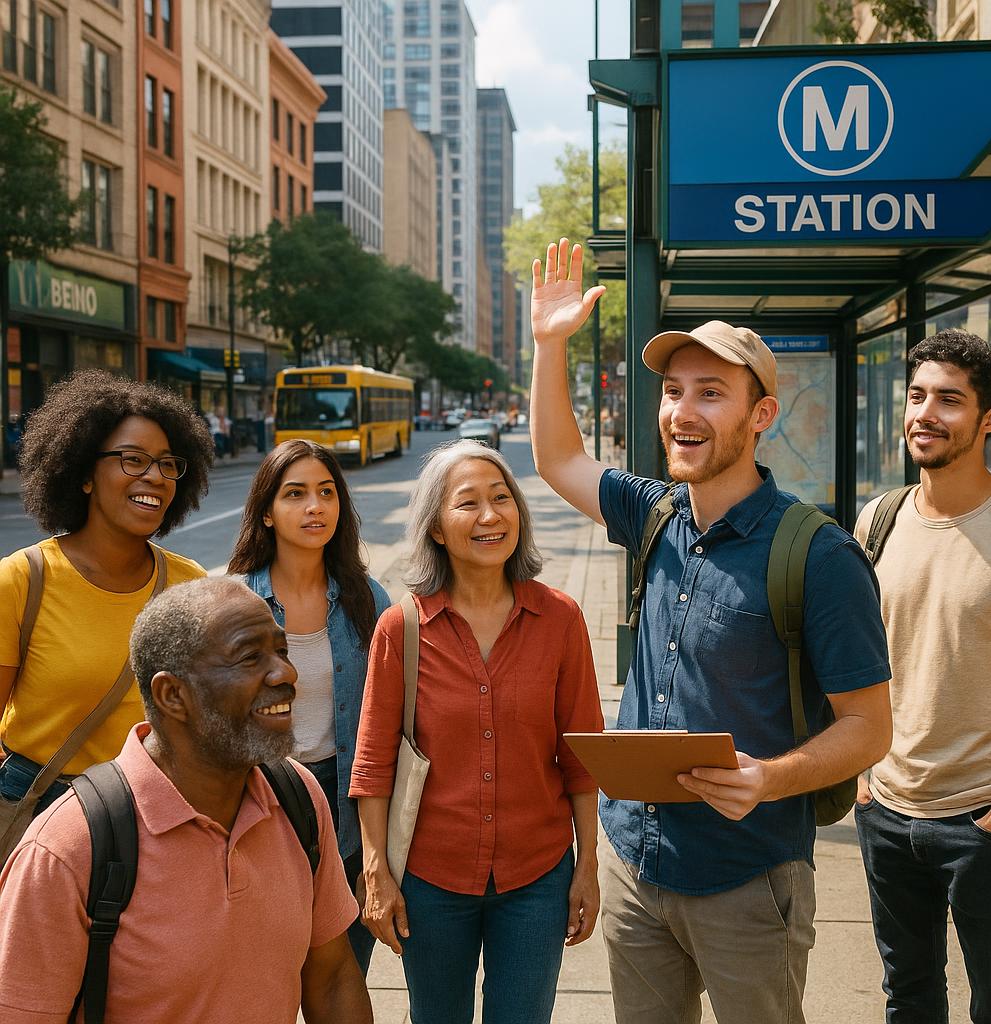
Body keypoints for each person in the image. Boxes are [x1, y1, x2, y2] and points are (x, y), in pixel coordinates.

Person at [529, 238, 892, 1024]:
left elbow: (869, 729)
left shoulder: (817, 554)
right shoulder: (652, 510)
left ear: (762, 414)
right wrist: (550, 346)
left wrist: (771, 778)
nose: (682, 412)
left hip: (749, 878)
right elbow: (558, 458)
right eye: (672, 391)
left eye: (711, 394)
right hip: (637, 863)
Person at [0, 577, 372, 1024]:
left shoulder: (297, 796)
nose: (286, 674)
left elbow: (330, 980)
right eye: (250, 658)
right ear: (173, 695)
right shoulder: (66, 850)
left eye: (282, 651)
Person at [350, 439, 605, 1024]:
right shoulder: (402, 627)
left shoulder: (560, 618)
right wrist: (376, 873)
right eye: (468, 503)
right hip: (431, 879)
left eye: (502, 499)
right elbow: (372, 762)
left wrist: (587, 862)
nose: (490, 516)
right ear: (436, 528)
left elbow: (582, 756)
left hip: (538, 877)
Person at [853, 329, 991, 1024]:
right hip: (888, 810)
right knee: (910, 997)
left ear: (990, 419)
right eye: (917, 395)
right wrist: (863, 778)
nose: (925, 413)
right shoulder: (878, 520)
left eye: (948, 400)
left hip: (990, 820)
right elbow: (857, 662)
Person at [0, 370, 212, 821]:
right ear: (84, 475)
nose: (155, 476)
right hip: (38, 805)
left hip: (147, 810)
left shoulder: (190, 584)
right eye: (133, 460)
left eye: (167, 463)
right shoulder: (22, 578)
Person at [228, 438, 391, 975]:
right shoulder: (231, 605)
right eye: (294, 494)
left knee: (341, 977)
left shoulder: (369, 600)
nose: (314, 507)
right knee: (259, 983)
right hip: (254, 808)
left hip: (347, 810)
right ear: (268, 513)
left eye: (326, 492)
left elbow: (390, 722)